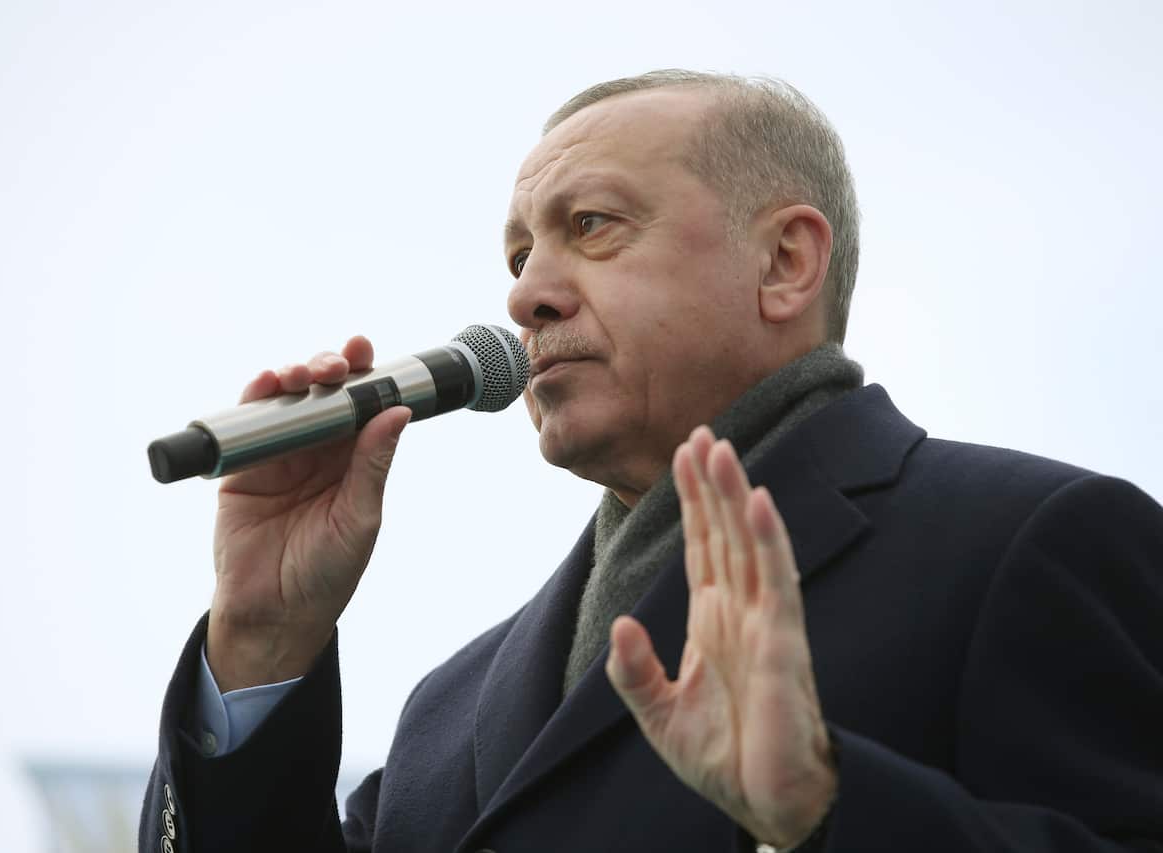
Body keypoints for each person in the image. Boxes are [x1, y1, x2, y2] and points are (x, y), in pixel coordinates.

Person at [140, 70, 1163, 852]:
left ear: (782, 263)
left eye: (590, 226)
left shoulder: (1031, 541)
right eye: (516, 255)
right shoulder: (452, 705)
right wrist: (264, 640)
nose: (525, 294)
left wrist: (822, 808)